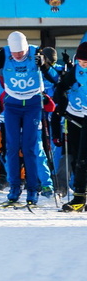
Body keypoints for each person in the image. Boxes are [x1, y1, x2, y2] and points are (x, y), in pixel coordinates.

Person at [0, 32, 50, 208]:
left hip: (32, 103)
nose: (18, 55)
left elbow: (51, 74)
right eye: (15, 52)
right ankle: (14, 189)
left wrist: (43, 63)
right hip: (12, 104)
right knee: (11, 147)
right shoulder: (4, 54)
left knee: (29, 148)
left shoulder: (35, 52)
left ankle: (33, 190)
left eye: (21, 52)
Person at [54, 43, 87, 211]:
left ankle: (80, 197)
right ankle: (80, 197)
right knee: (79, 156)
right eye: (80, 61)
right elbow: (62, 86)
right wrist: (61, 103)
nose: (82, 65)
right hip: (80, 114)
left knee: (83, 157)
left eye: (85, 62)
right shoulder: (77, 70)